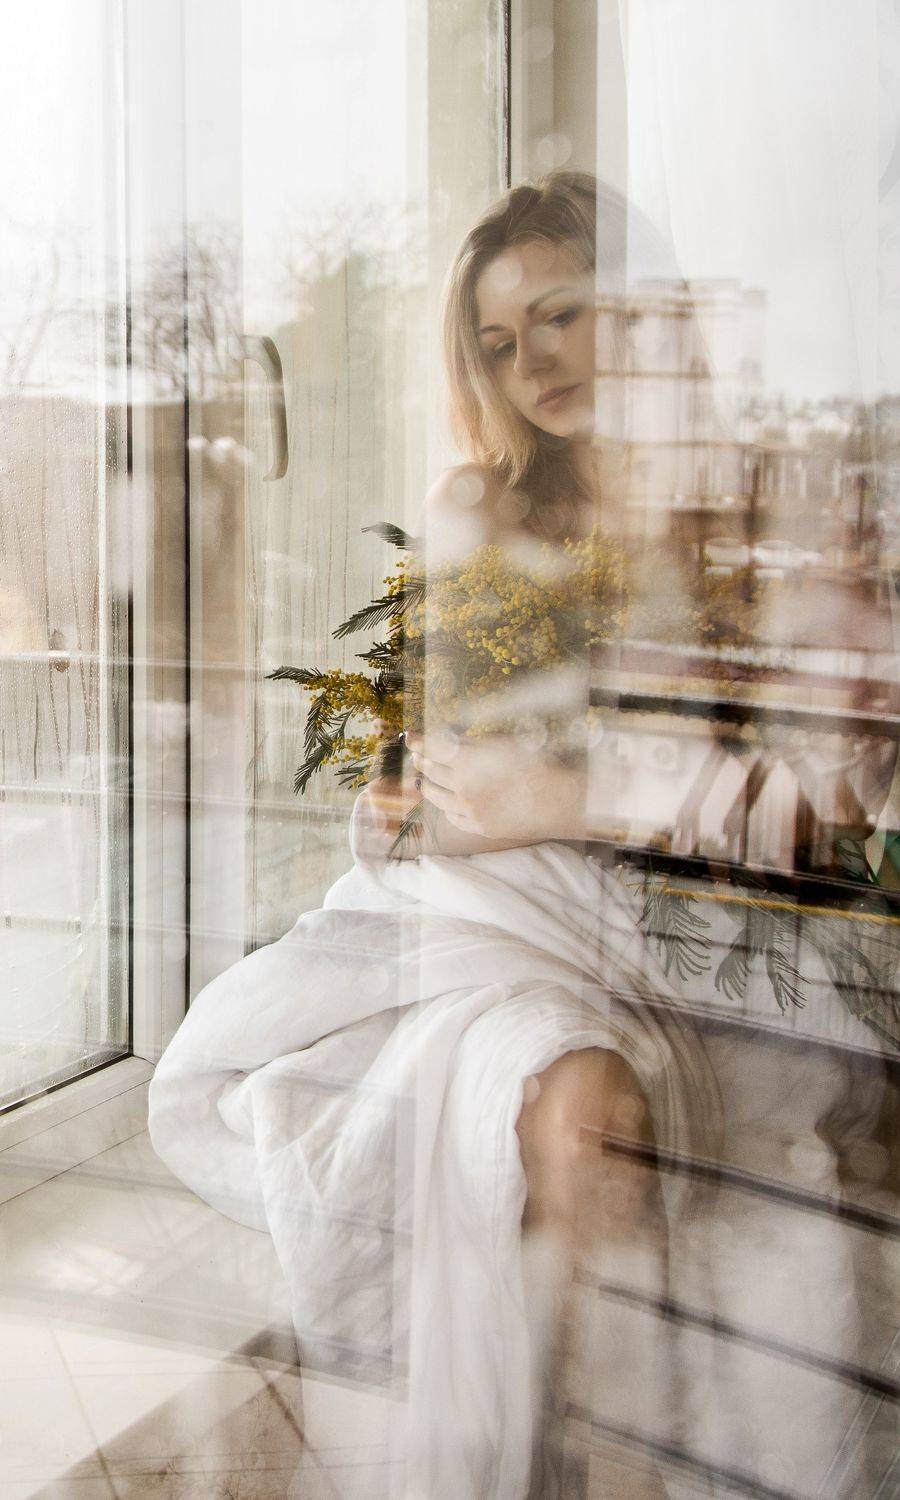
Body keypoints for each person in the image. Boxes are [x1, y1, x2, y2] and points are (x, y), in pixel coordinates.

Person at [149, 173, 716, 1499]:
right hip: (482, 905)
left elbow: (761, 775)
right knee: (560, 1105)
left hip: (654, 909)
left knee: (582, 1116)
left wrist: (563, 794)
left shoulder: (728, 514)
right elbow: (448, 766)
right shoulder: (482, 509)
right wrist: (409, 796)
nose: (535, 366)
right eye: (502, 344)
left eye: (561, 316)